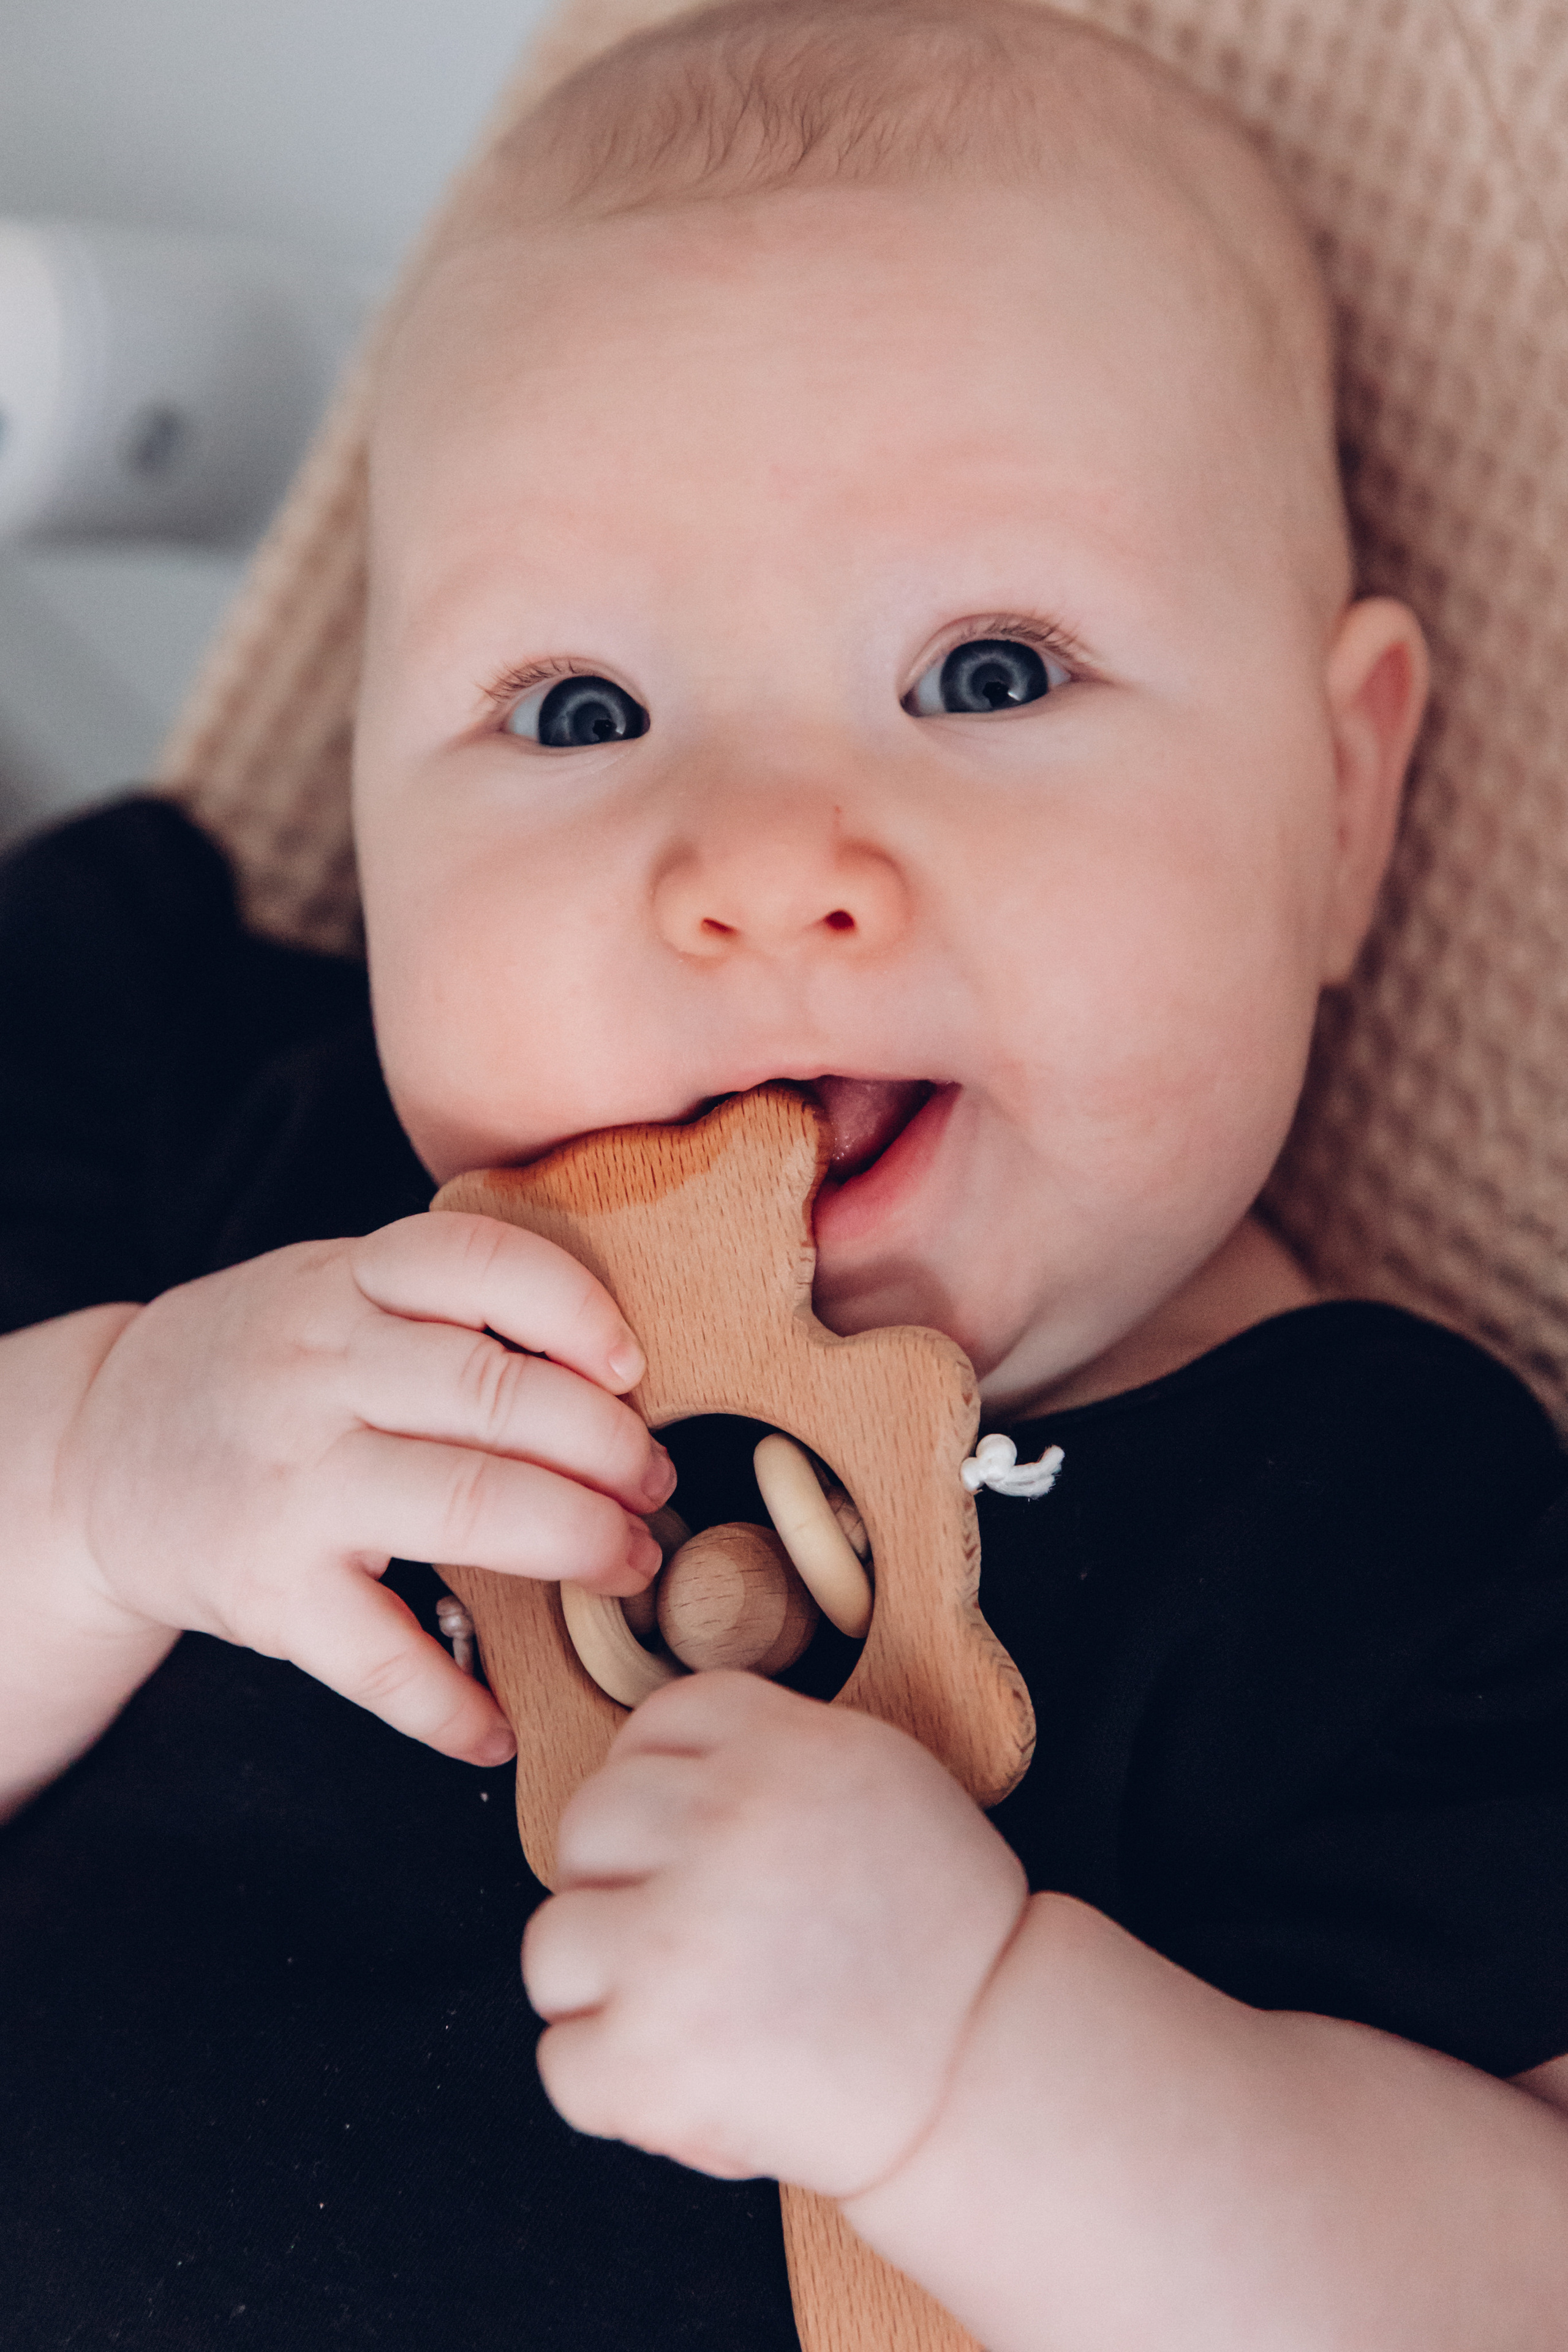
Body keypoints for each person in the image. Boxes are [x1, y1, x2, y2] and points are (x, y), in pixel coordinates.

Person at [5, 1, 1568, 2343]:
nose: (752, 867)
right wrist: (101, 1473)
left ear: (1343, 809)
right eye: (579, 714)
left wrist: (977, 2062)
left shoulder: (1385, 1525)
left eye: (990, 673)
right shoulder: (229, 1128)